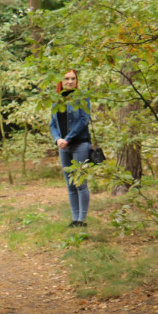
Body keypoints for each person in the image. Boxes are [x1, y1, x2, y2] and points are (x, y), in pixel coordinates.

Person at [50, 69, 92, 227]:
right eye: (66, 78)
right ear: (61, 81)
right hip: (63, 147)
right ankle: (75, 220)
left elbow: (84, 119)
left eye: (73, 78)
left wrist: (67, 138)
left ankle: (82, 220)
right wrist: (57, 139)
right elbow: (52, 124)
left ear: (77, 80)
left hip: (80, 144)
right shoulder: (56, 99)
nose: (70, 81)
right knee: (70, 184)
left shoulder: (82, 97)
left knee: (80, 183)